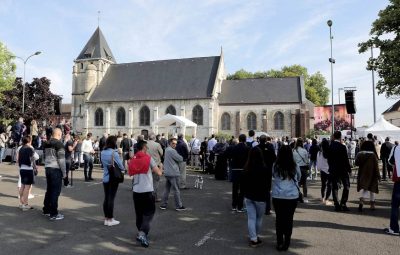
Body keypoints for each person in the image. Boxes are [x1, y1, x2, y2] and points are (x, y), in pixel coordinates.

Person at [129, 140, 162, 247]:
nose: (147, 149)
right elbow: (159, 172)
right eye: (146, 148)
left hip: (136, 190)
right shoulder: (148, 158)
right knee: (149, 213)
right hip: (147, 190)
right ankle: (143, 233)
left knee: (139, 214)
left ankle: (140, 232)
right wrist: (161, 166)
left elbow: (131, 171)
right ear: (143, 148)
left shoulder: (133, 159)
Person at [272, 145, 301, 251]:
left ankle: (279, 242)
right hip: (292, 196)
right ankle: (286, 242)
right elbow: (299, 177)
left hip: (278, 195)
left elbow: (273, 176)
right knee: (289, 219)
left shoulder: (275, 165)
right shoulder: (295, 165)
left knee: (279, 219)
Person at [242, 147, 269, 247]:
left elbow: (243, 183)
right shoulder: (264, 168)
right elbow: (267, 185)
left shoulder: (247, 167)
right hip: (261, 197)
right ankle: (255, 237)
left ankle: (253, 238)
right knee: (259, 218)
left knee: (251, 218)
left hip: (249, 196)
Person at [43, 128, 67, 221]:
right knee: (55, 192)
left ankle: (46, 210)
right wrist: (64, 173)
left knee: (49, 190)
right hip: (55, 169)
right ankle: (53, 214)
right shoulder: (59, 144)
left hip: (48, 167)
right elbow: (61, 160)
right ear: (59, 134)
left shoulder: (47, 143)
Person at [101, 135, 125, 227]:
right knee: (111, 199)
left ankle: (107, 218)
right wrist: (120, 155)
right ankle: (110, 219)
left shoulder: (102, 152)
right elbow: (121, 166)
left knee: (106, 198)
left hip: (105, 177)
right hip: (113, 178)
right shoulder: (114, 153)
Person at [159, 138, 186, 211]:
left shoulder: (167, 150)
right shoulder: (172, 151)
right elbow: (180, 159)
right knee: (176, 190)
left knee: (167, 189)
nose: (175, 145)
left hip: (168, 172)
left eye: (175, 143)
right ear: (170, 143)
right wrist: (180, 156)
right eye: (173, 143)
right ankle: (178, 206)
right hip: (173, 173)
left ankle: (163, 205)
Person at [328, 131, 352, 212]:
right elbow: (346, 160)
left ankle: (336, 204)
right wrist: (349, 169)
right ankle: (343, 203)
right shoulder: (342, 147)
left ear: (334, 137)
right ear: (340, 137)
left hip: (333, 169)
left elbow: (328, 159)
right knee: (346, 186)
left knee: (335, 187)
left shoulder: (330, 146)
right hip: (343, 170)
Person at [226, 134, 249, 212]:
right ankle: (240, 206)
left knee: (235, 188)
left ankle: (234, 205)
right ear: (245, 140)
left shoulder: (234, 148)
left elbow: (229, 156)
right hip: (243, 170)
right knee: (242, 189)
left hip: (235, 170)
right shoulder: (247, 148)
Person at [355, 141, 380, 211]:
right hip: (372, 174)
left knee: (365, 188)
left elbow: (356, 163)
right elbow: (376, 166)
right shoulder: (373, 155)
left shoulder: (360, 154)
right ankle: (372, 205)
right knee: (372, 189)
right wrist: (378, 175)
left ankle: (362, 199)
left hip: (362, 173)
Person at [18, 136, 39, 211]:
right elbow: (37, 157)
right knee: (27, 188)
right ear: (29, 141)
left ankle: (21, 202)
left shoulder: (21, 148)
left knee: (22, 186)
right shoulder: (30, 148)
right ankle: (25, 204)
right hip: (28, 169)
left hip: (22, 168)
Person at [256, 135, 277, 215]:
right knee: (267, 190)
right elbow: (274, 158)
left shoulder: (256, 148)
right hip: (267, 171)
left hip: (258, 171)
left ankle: (258, 208)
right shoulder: (270, 146)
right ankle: (267, 209)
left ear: (259, 140)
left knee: (258, 189)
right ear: (266, 140)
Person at [385, 144, 400, 235]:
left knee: (395, 205)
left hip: (399, 180)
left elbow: (390, 161)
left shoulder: (396, 148)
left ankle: (394, 228)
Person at [146, 134, 163, 202]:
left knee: (147, 181)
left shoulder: (145, 144)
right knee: (155, 182)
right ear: (154, 138)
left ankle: (148, 196)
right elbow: (161, 153)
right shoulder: (157, 144)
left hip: (147, 164)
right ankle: (154, 197)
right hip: (156, 164)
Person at [292, 138, 309, 203]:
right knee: (304, 183)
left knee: (297, 183)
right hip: (303, 168)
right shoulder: (304, 151)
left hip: (295, 168)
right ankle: (305, 197)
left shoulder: (293, 150)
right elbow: (307, 161)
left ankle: (297, 196)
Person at [317, 139, 333, 205]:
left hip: (322, 171)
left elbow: (318, 162)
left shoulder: (319, 152)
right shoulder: (330, 152)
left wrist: (319, 168)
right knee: (329, 185)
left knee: (323, 185)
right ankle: (326, 199)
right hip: (329, 171)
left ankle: (323, 198)